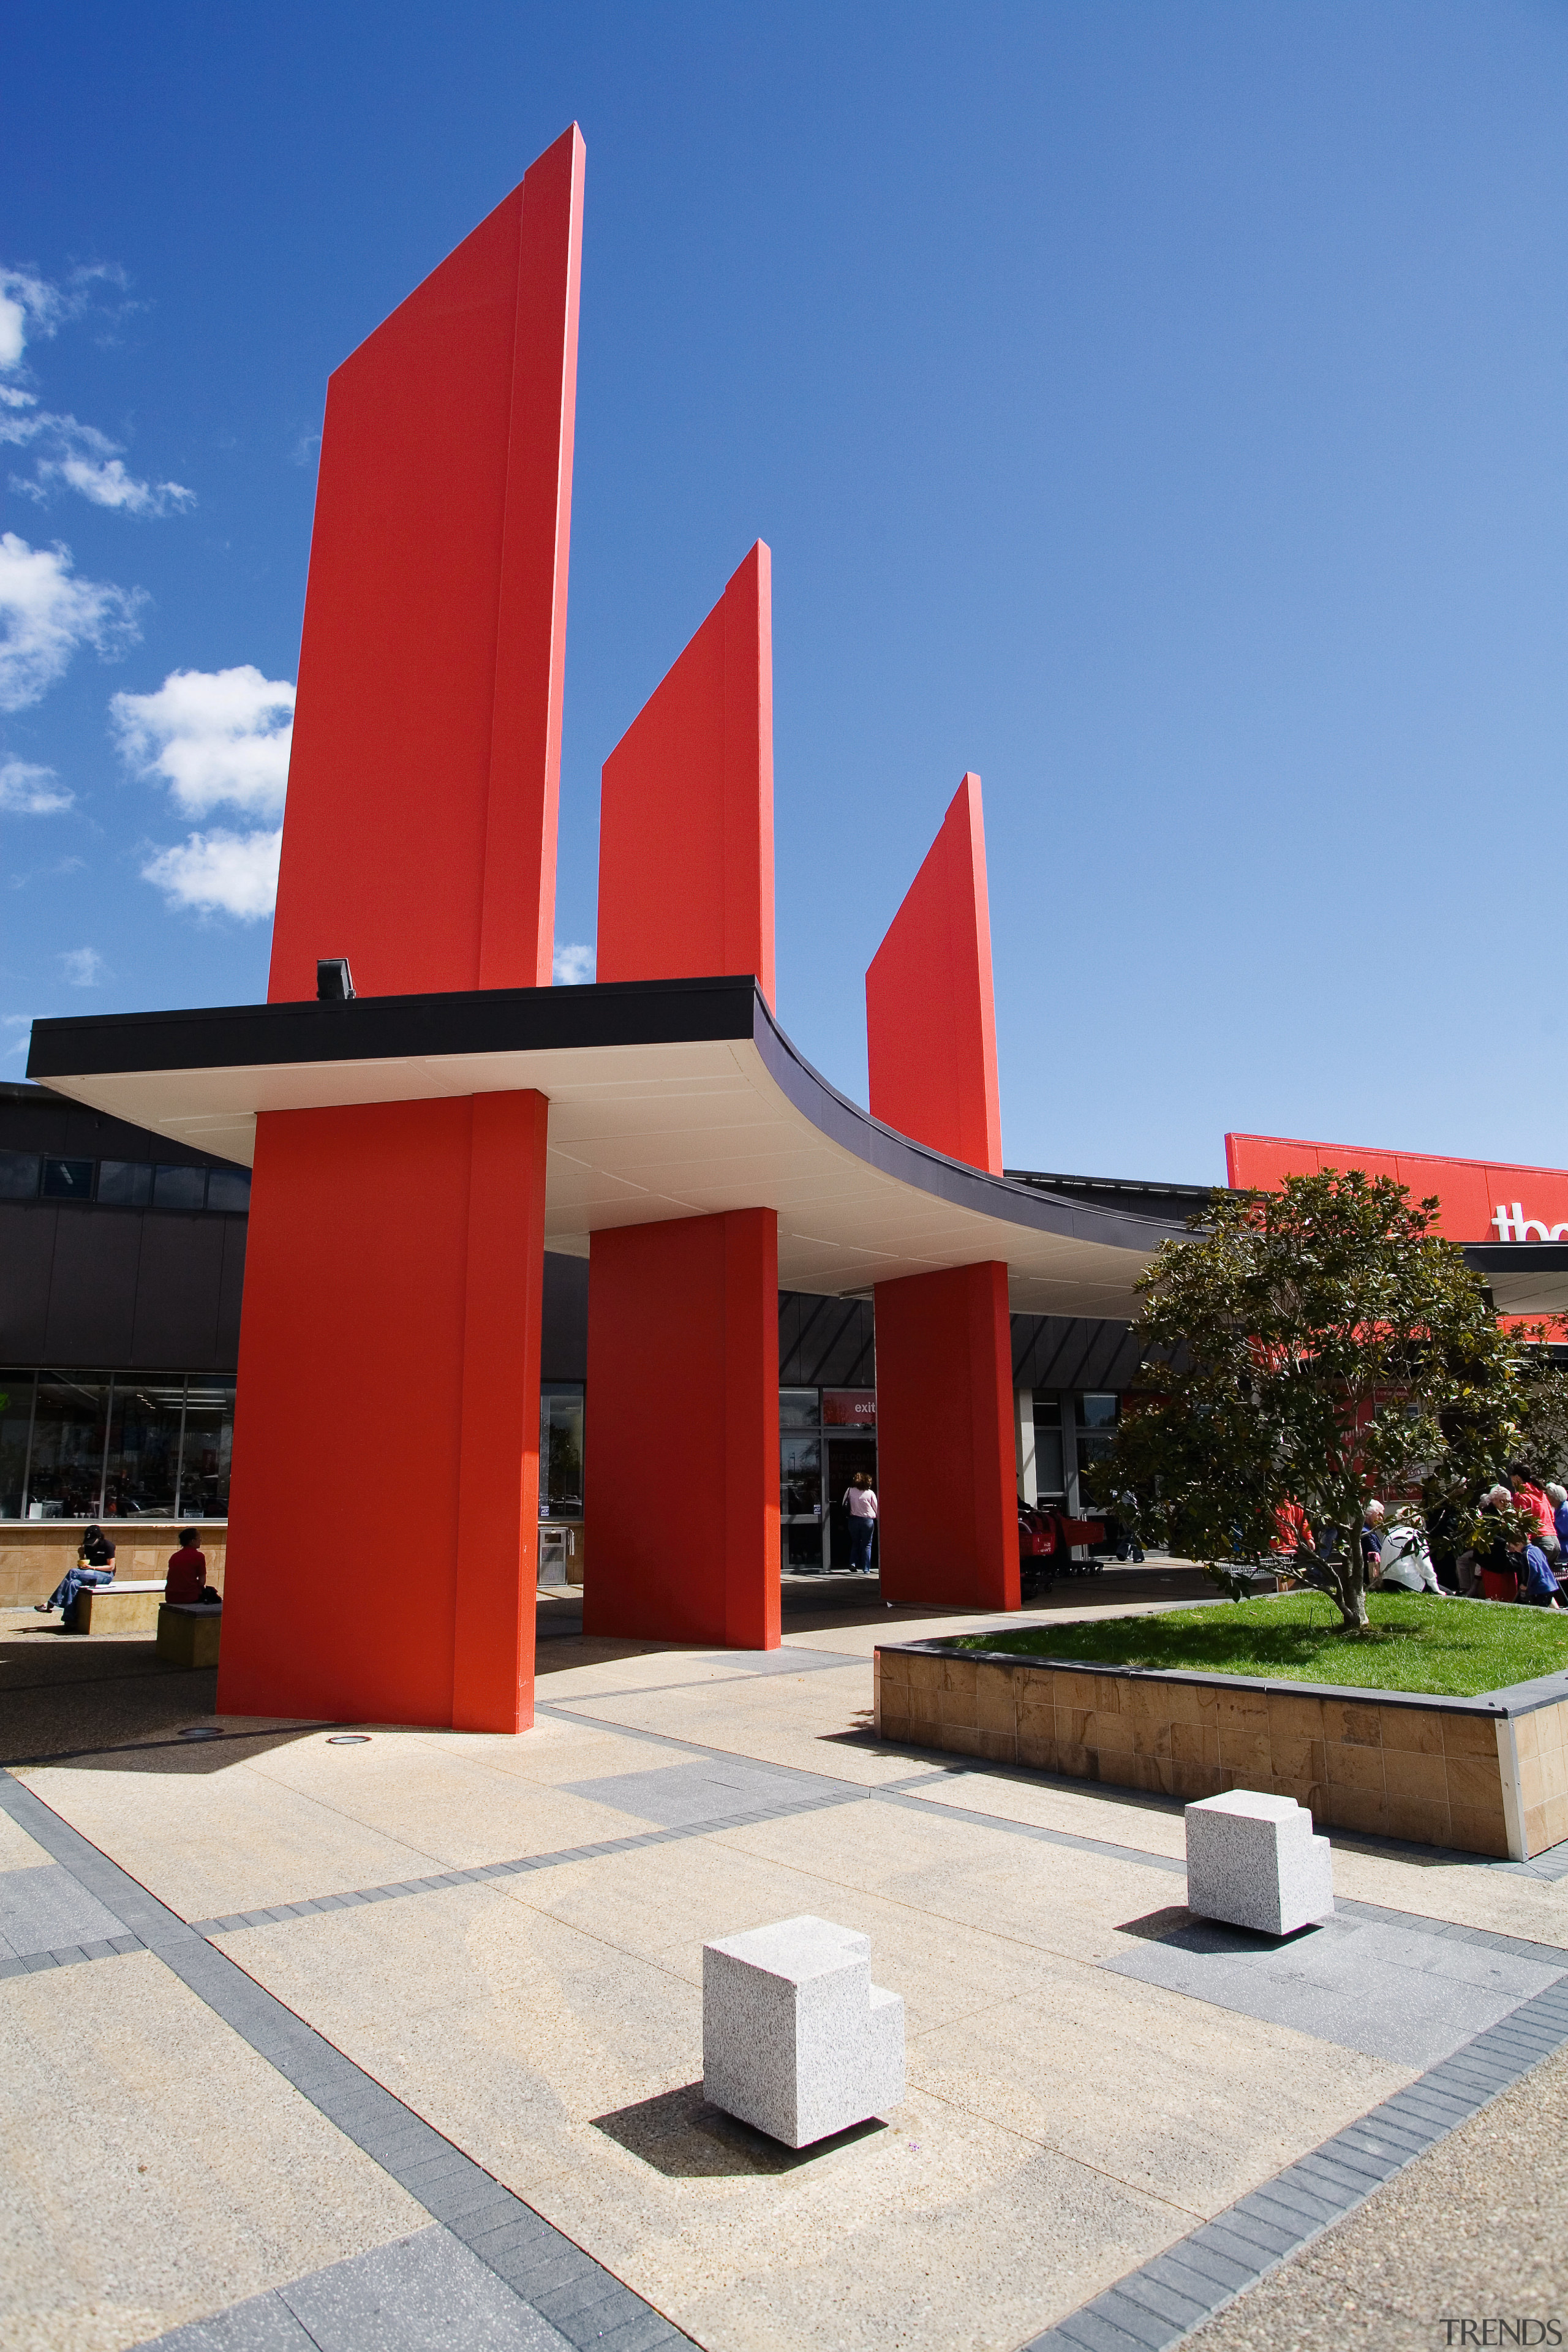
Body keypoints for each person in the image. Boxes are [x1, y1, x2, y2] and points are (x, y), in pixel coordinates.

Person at [35, 1523, 116, 1618]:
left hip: (106, 1575)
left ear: (99, 1538)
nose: (91, 1543)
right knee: (73, 1584)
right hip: (90, 1574)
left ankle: (51, 1603)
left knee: (73, 1572)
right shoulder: (88, 1546)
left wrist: (92, 1568)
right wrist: (81, 1556)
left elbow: (111, 1567)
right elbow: (85, 1563)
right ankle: (69, 1620)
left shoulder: (108, 1546)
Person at [1369, 1517, 1444, 1595]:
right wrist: (1435, 1588)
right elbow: (1425, 1564)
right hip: (1408, 1582)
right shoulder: (1415, 1535)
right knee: (1448, 1593)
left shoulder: (1389, 1533)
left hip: (1388, 1582)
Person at [1510, 1467, 1559, 1559]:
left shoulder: (1521, 1496)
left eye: (1512, 1480)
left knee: (1529, 1572)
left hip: (1540, 1541)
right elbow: (1552, 1517)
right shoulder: (1542, 1495)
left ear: (1517, 1478)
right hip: (1554, 1541)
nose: (1512, 1484)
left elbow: (1522, 1522)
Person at [1509, 1529, 1562, 1608]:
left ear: (1519, 1544)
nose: (1515, 1550)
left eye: (1514, 1547)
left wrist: (1525, 1584)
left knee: (1539, 1608)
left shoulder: (1526, 1554)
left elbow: (1531, 1570)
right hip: (1550, 1585)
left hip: (1540, 1588)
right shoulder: (1537, 1550)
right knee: (1547, 1604)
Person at [164, 1528, 213, 1605]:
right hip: (190, 1596)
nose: (200, 1541)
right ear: (192, 1541)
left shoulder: (175, 1556)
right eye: (199, 1538)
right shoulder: (198, 1556)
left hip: (171, 1597)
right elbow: (202, 1582)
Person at [843, 1471, 878, 1574]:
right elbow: (877, 1508)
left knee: (855, 1543)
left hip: (853, 1520)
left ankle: (853, 1563)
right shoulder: (870, 1493)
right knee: (867, 1544)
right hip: (867, 1521)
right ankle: (866, 1569)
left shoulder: (850, 1491)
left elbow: (844, 1504)